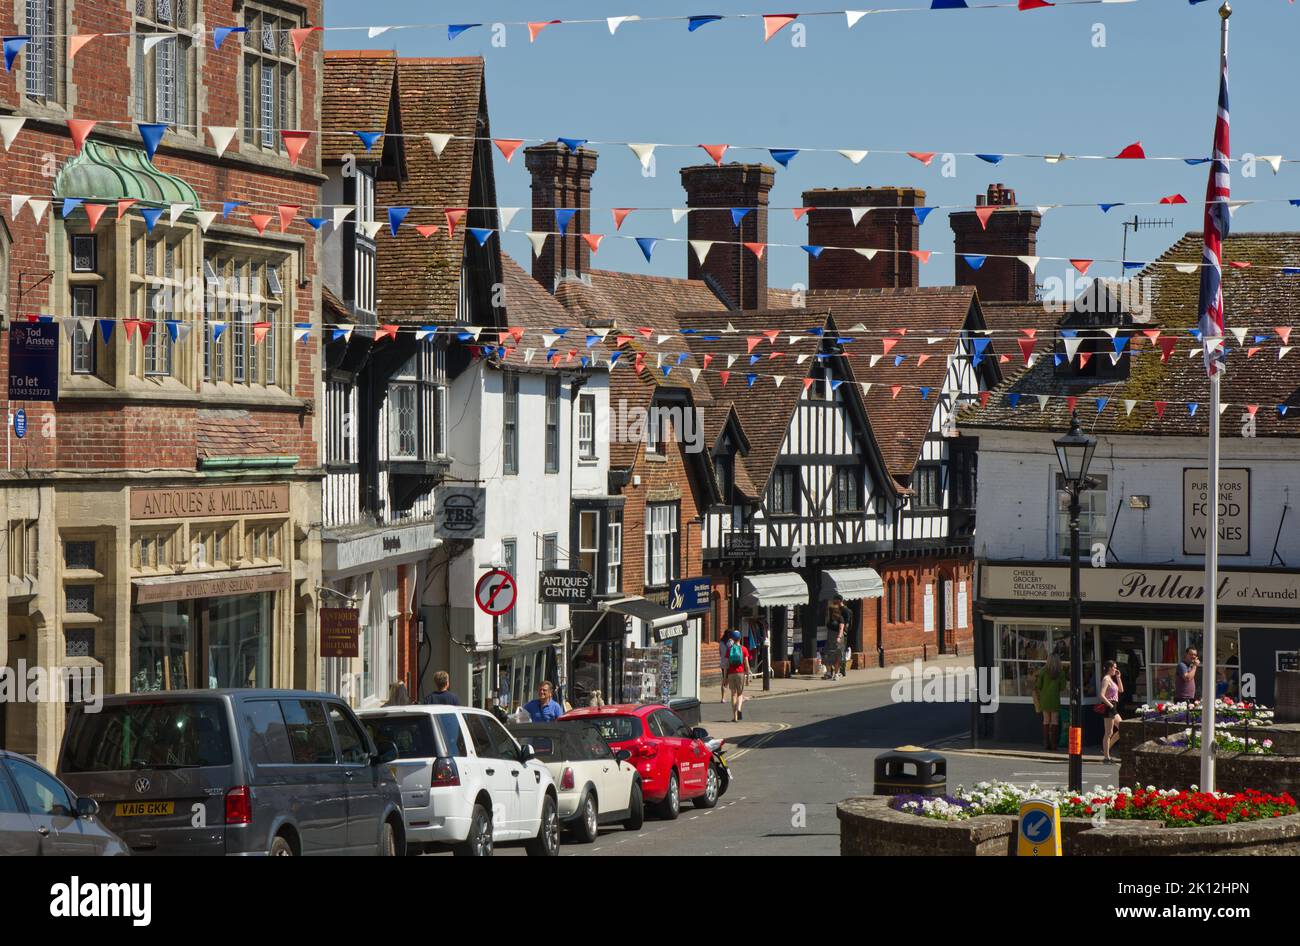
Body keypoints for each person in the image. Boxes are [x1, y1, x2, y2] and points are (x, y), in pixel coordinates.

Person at [1034, 655, 1064, 751]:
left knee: (1046, 720)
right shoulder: (1060, 672)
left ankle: (1046, 744)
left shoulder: (1043, 671)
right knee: (1054, 721)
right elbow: (1063, 687)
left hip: (1044, 699)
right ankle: (1054, 745)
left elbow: (1038, 685)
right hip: (1055, 699)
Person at [1099, 659, 1124, 764]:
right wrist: (1109, 705)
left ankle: (1106, 749)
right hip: (1109, 706)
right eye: (1114, 667)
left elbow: (1121, 690)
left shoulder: (1111, 679)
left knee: (1123, 728)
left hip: (1114, 706)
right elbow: (1101, 695)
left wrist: (1118, 677)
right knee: (1109, 733)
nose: (1116, 669)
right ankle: (1106, 757)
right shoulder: (1106, 679)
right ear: (1110, 668)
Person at [724, 630, 750, 722]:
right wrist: (748, 676)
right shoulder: (744, 649)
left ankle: (734, 717)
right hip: (740, 673)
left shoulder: (729, 650)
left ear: (732, 639)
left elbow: (726, 665)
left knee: (733, 694)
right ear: (740, 638)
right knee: (740, 694)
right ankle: (739, 709)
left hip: (731, 674)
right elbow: (746, 664)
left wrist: (725, 678)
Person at [719, 632, 731, 703]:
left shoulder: (721, 642)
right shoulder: (730, 642)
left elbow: (720, 653)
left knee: (724, 680)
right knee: (728, 681)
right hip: (730, 663)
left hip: (723, 663)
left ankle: (723, 697)